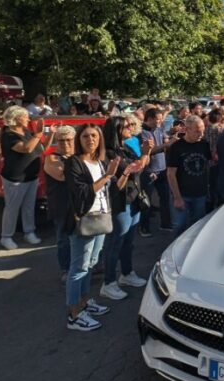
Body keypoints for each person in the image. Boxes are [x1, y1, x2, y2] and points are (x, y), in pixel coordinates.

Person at [64, 124, 121, 331]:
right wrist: (107, 176)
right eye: (86, 136)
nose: (90, 140)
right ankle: (74, 314)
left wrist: (119, 175)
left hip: (101, 217)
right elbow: (82, 192)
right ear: (79, 139)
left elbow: (108, 191)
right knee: (78, 268)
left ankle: (84, 302)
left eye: (94, 136)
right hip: (84, 220)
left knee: (91, 263)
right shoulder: (74, 162)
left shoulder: (100, 161)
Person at [99, 117, 151, 301]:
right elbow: (130, 171)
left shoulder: (125, 147)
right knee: (115, 243)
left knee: (128, 241)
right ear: (117, 130)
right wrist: (139, 160)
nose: (131, 127)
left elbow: (140, 166)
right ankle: (108, 282)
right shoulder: (110, 153)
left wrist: (147, 152)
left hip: (133, 198)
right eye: (127, 125)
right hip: (120, 202)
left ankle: (127, 273)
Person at [0, 106, 52, 250]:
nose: (28, 118)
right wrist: (38, 134)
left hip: (31, 175)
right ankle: (6, 236)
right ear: (16, 118)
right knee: (12, 207)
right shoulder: (9, 134)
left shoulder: (27, 131)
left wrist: (49, 134)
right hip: (15, 177)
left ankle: (29, 232)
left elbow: (41, 148)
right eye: (25, 116)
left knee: (29, 206)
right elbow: (26, 148)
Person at [166, 115, 211, 237]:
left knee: (196, 227)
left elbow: (209, 165)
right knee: (179, 226)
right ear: (187, 129)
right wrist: (177, 197)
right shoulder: (176, 147)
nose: (201, 134)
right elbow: (171, 173)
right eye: (197, 131)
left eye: (202, 130)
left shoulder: (204, 145)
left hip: (200, 194)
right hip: (182, 195)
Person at [43, 126, 76, 282]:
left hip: (79, 204)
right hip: (61, 204)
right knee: (63, 239)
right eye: (61, 140)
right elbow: (62, 176)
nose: (65, 144)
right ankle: (66, 269)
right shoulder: (52, 158)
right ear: (56, 141)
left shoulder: (79, 156)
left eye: (69, 140)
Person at [138, 107, 176, 237]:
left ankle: (165, 223)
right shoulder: (142, 132)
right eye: (157, 120)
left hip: (162, 169)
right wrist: (167, 144)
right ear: (149, 119)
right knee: (146, 201)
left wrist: (169, 138)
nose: (160, 122)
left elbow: (165, 138)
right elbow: (150, 150)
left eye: (161, 119)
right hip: (149, 171)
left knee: (165, 198)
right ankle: (144, 227)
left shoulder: (159, 128)